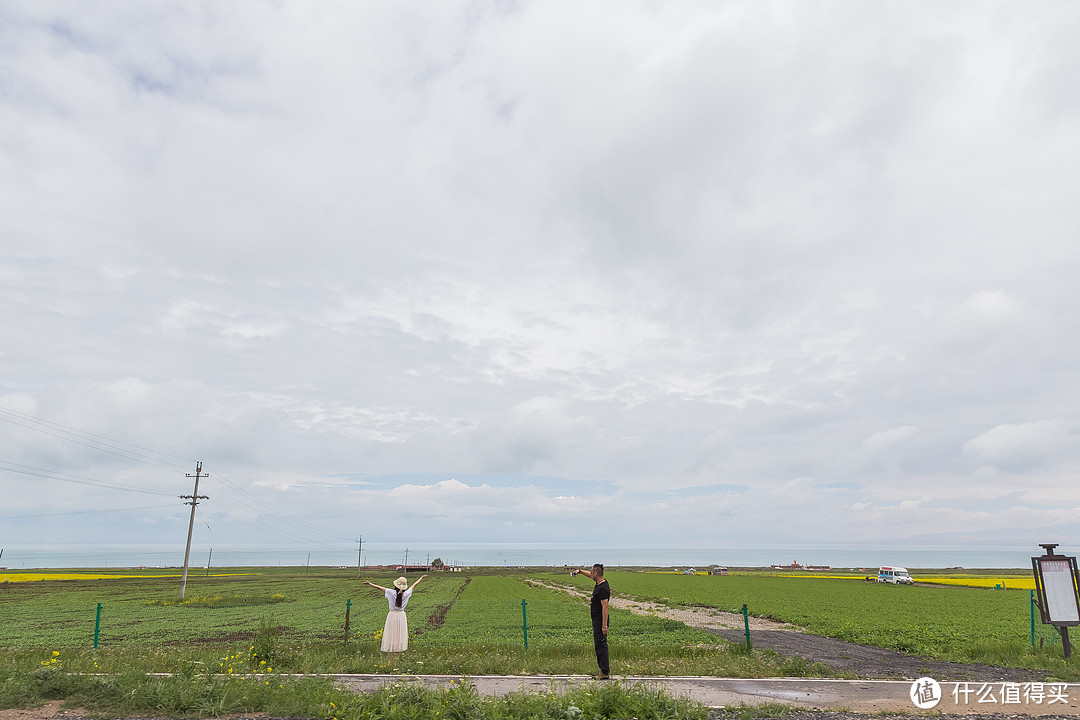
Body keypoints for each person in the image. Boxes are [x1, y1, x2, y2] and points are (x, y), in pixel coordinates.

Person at [364, 574, 427, 660]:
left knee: (390, 634)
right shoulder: (407, 593)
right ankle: (397, 658)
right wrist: (421, 577)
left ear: (396, 585)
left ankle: (390, 658)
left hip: (392, 615)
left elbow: (379, 587)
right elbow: (415, 584)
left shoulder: (391, 592)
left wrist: (370, 584)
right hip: (401, 616)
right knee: (400, 635)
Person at [571, 563, 610, 678]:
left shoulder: (602, 589)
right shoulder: (600, 582)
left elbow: (605, 607)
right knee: (599, 644)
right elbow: (590, 575)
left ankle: (604, 672)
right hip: (597, 619)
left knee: (601, 645)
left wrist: (604, 625)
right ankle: (602, 670)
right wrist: (580, 571)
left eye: (592, 572)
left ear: (596, 573)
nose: (591, 574)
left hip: (600, 620)